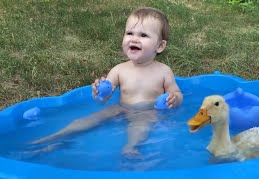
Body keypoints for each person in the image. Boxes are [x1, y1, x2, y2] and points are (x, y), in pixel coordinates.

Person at [32, 7, 183, 156]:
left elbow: (175, 92)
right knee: (92, 118)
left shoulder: (163, 71)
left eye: (143, 35)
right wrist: (98, 91)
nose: (134, 38)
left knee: (140, 124)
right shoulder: (119, 70)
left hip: (149, 112)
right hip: (121, 109)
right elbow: (102, 98)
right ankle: (57, 136)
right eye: (129, 33)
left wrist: (174, 98)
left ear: (160, 46)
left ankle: (131, 147)